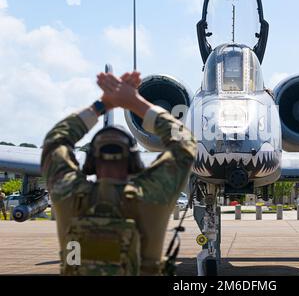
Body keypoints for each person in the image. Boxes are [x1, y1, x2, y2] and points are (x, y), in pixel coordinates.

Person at [41, 71, 196, 275]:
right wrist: (134, 102)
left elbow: (55, 141)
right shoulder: (151, 196)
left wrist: (102, 104)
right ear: (134, 162)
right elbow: (184, 144)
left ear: (90, 161)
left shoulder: (67, 193)